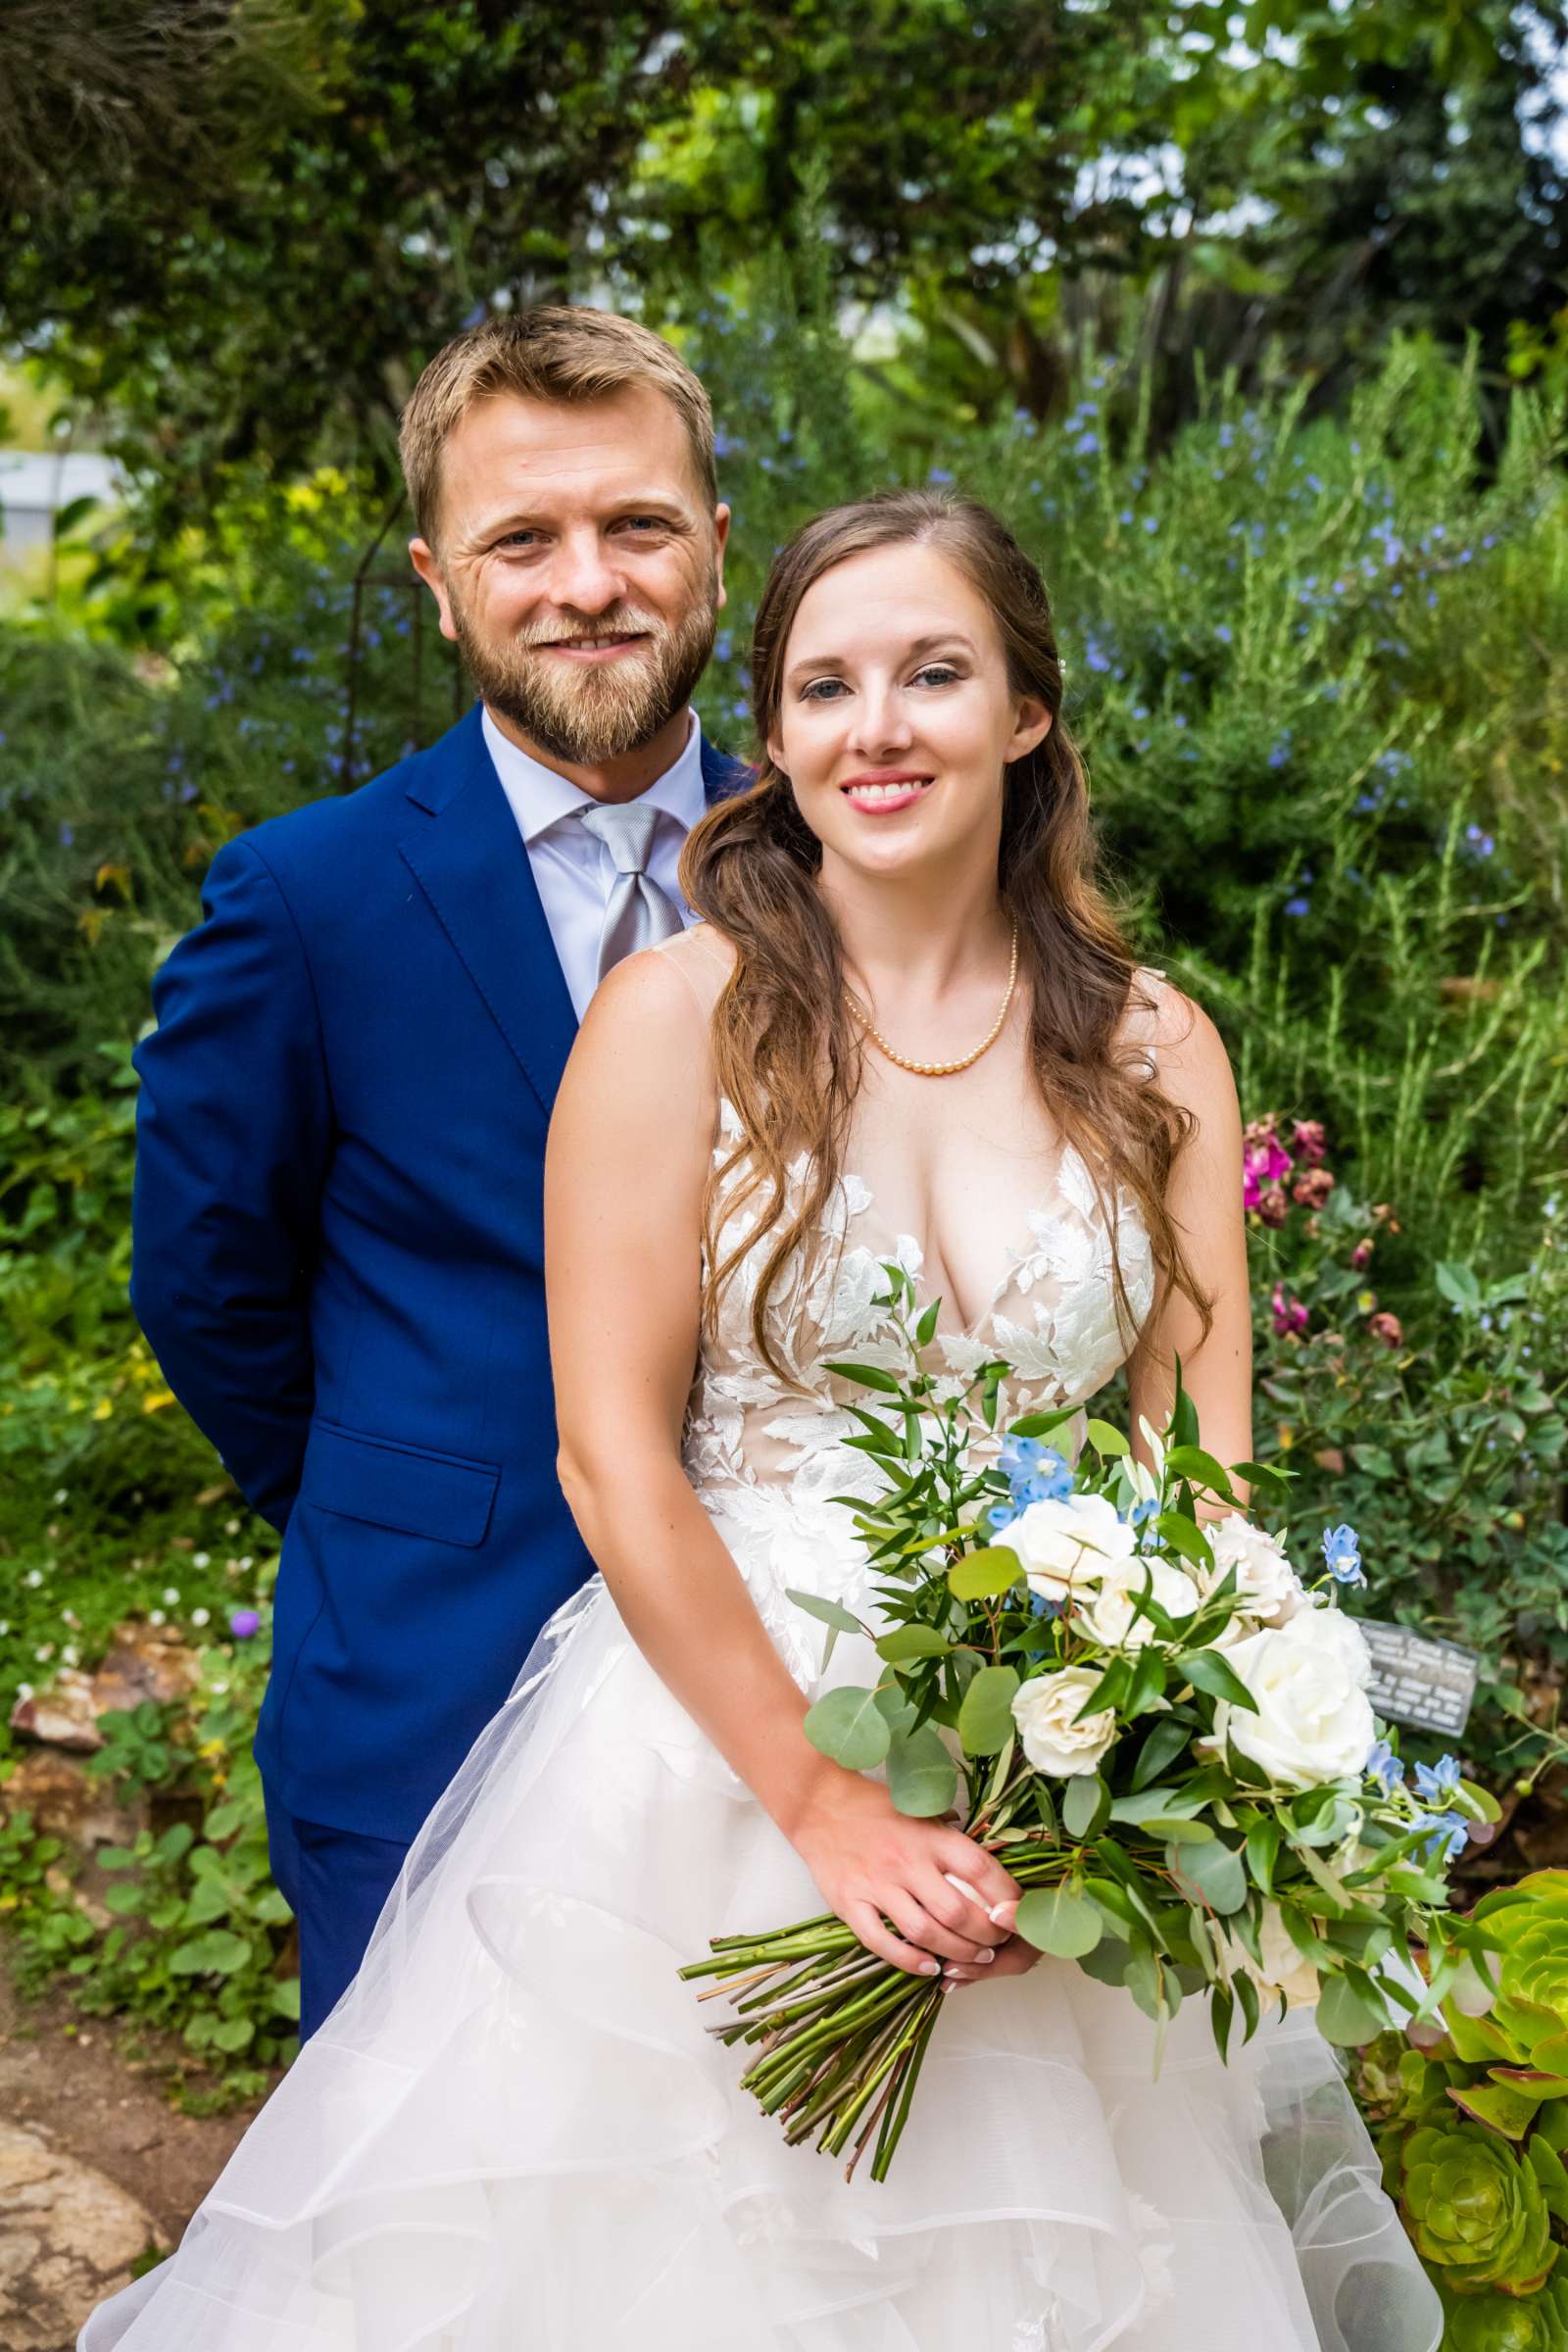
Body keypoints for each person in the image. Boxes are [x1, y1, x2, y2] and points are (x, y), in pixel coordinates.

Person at [85, 490, 1441, 2351]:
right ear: (780, 731)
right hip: (712, 1782)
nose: (876, 727)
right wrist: (827, 1806)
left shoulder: (1158, 1046)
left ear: (1029, 712)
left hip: (1054, 1797)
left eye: (934, 673)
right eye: (825, 685)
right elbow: (609, 1454)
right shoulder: (677, 1020)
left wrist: (1112, 1784)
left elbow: (1196, 1466)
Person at [127, 309, 748, 2038]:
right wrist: (385, 1493)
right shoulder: (303, 903)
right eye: (520, 540)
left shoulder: (846, 865)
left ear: (714, 541)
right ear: (437, 579)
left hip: (805, 1694)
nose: (588, 582)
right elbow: (205, 1284)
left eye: (635, 525)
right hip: (431, 1674)